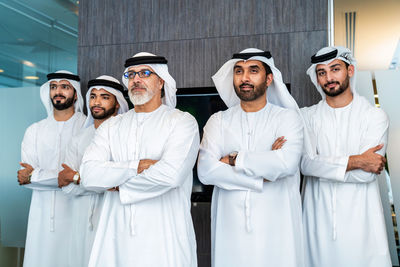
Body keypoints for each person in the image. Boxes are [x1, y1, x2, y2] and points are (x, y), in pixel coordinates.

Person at [80, 52, 199, 267]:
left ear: (161, 81)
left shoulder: (182, 122)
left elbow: (170, 176)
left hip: (164, 237)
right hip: (115, 235)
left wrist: (115, 182)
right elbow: (89, 176)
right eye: (131, 74)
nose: (136, 79)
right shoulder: (111, 126)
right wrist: (137, 166)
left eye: (145, 73)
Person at [198, 48, 305, 267]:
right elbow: (206, 171)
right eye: (239, 71)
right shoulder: (218, 121)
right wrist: (263, 171)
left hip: (277, 227)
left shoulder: (287, 118)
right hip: (230, 230)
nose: (244, 78)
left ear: (269, 79)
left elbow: (286, 164)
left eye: (253, 70)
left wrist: (233, 159)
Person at [301, 46, 391, 267]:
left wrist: (321, 166)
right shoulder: (306, 117)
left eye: (335, 69)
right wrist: (357, 161)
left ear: (350, 71)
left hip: (362, 226)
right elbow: (305, 164)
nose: (329, 78)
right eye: (322, 72)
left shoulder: (374, 116)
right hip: (317, 221)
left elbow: (366, 177)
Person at [57, 75, 129, 267]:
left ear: (117, 103)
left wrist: (78, 178)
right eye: (93, 96)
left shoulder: (127, 136)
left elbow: (123, 182)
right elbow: (65, 185)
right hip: (81, 219)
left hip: (114, 215)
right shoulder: (80, 138)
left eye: (105, 97)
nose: (96, 102)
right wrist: (98, 181)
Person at [17, 70, 86, 267]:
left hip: (77, 214)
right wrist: (70, 177)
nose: (58, 91)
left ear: (75, 93)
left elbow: (86, 178)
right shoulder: (35, 130)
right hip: (41, 215)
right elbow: (25, 179)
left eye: (65, 87)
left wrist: (36, 176)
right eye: (54, 87)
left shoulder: (87, 128)